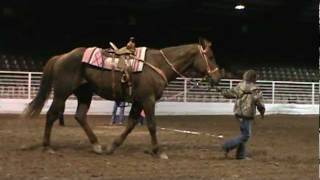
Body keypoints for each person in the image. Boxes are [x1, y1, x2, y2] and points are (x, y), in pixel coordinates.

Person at [218, 69, 265, 160]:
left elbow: (229, 94)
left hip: (238, 113)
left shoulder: (240, 86)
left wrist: (221, 91)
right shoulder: (256, 89)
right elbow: (259, 103)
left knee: (243, 133)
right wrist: (262, 112)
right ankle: (227, 145)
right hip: (247, 114)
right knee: (246, 135)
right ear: (254, 78)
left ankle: (240, 155)